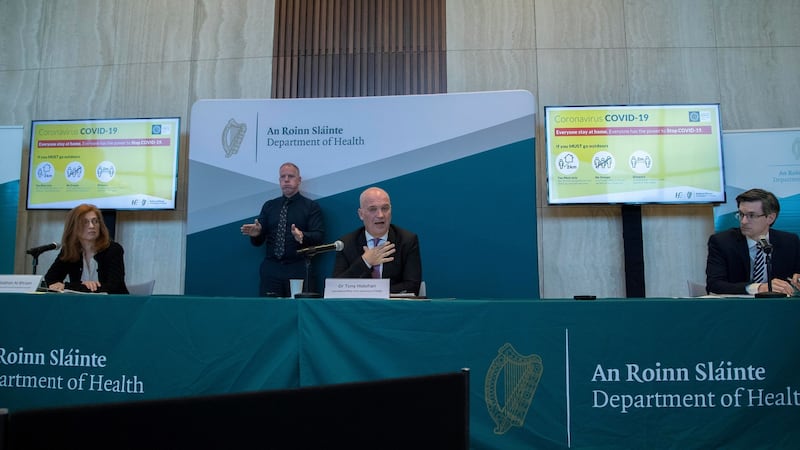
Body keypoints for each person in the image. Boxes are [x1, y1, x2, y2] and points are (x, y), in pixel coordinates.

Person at [241, 162, 324, 297]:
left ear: (299, 180)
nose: (286, 180)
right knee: (270, 312)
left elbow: (319, 236)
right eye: (282, 177)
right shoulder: (269, 206)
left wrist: (302, 236)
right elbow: (257, 242)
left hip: (299, 268)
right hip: (271, 269)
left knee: (299, 311)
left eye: (290, 176)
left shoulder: (311, 207)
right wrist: (256, 234)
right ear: (279, 180)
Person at [706, 188, 800, 296]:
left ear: (770, 218)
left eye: (751, 216)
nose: (744, 221)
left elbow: (796, 275)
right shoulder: (722, 242)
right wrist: (758, 288)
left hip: (779, 308)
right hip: (737, 308)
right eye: (741, 214)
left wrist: (797, 281)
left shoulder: (790, 242)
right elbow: (714, 284)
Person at [332, 187, 422, 294]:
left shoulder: (407, 240)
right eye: (373, 209)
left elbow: (413, 285)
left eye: (385, 208)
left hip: (392, 307)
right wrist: (365, 262)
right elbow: (336, 286)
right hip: (358, 307)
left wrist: (377, 292)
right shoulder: (345, 243)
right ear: (361, 214)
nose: (380, 215)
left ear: (391, 211)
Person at [44, 204, 129, 294]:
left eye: (95, 221)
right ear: (74, 227)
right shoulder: (70, 251)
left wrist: (70, 286)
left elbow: (113, 286)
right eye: (85, 222)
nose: (92, 226)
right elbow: (50, 280)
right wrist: (82, 286)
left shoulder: (113, 249)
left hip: (113, 304)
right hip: (80, 304)